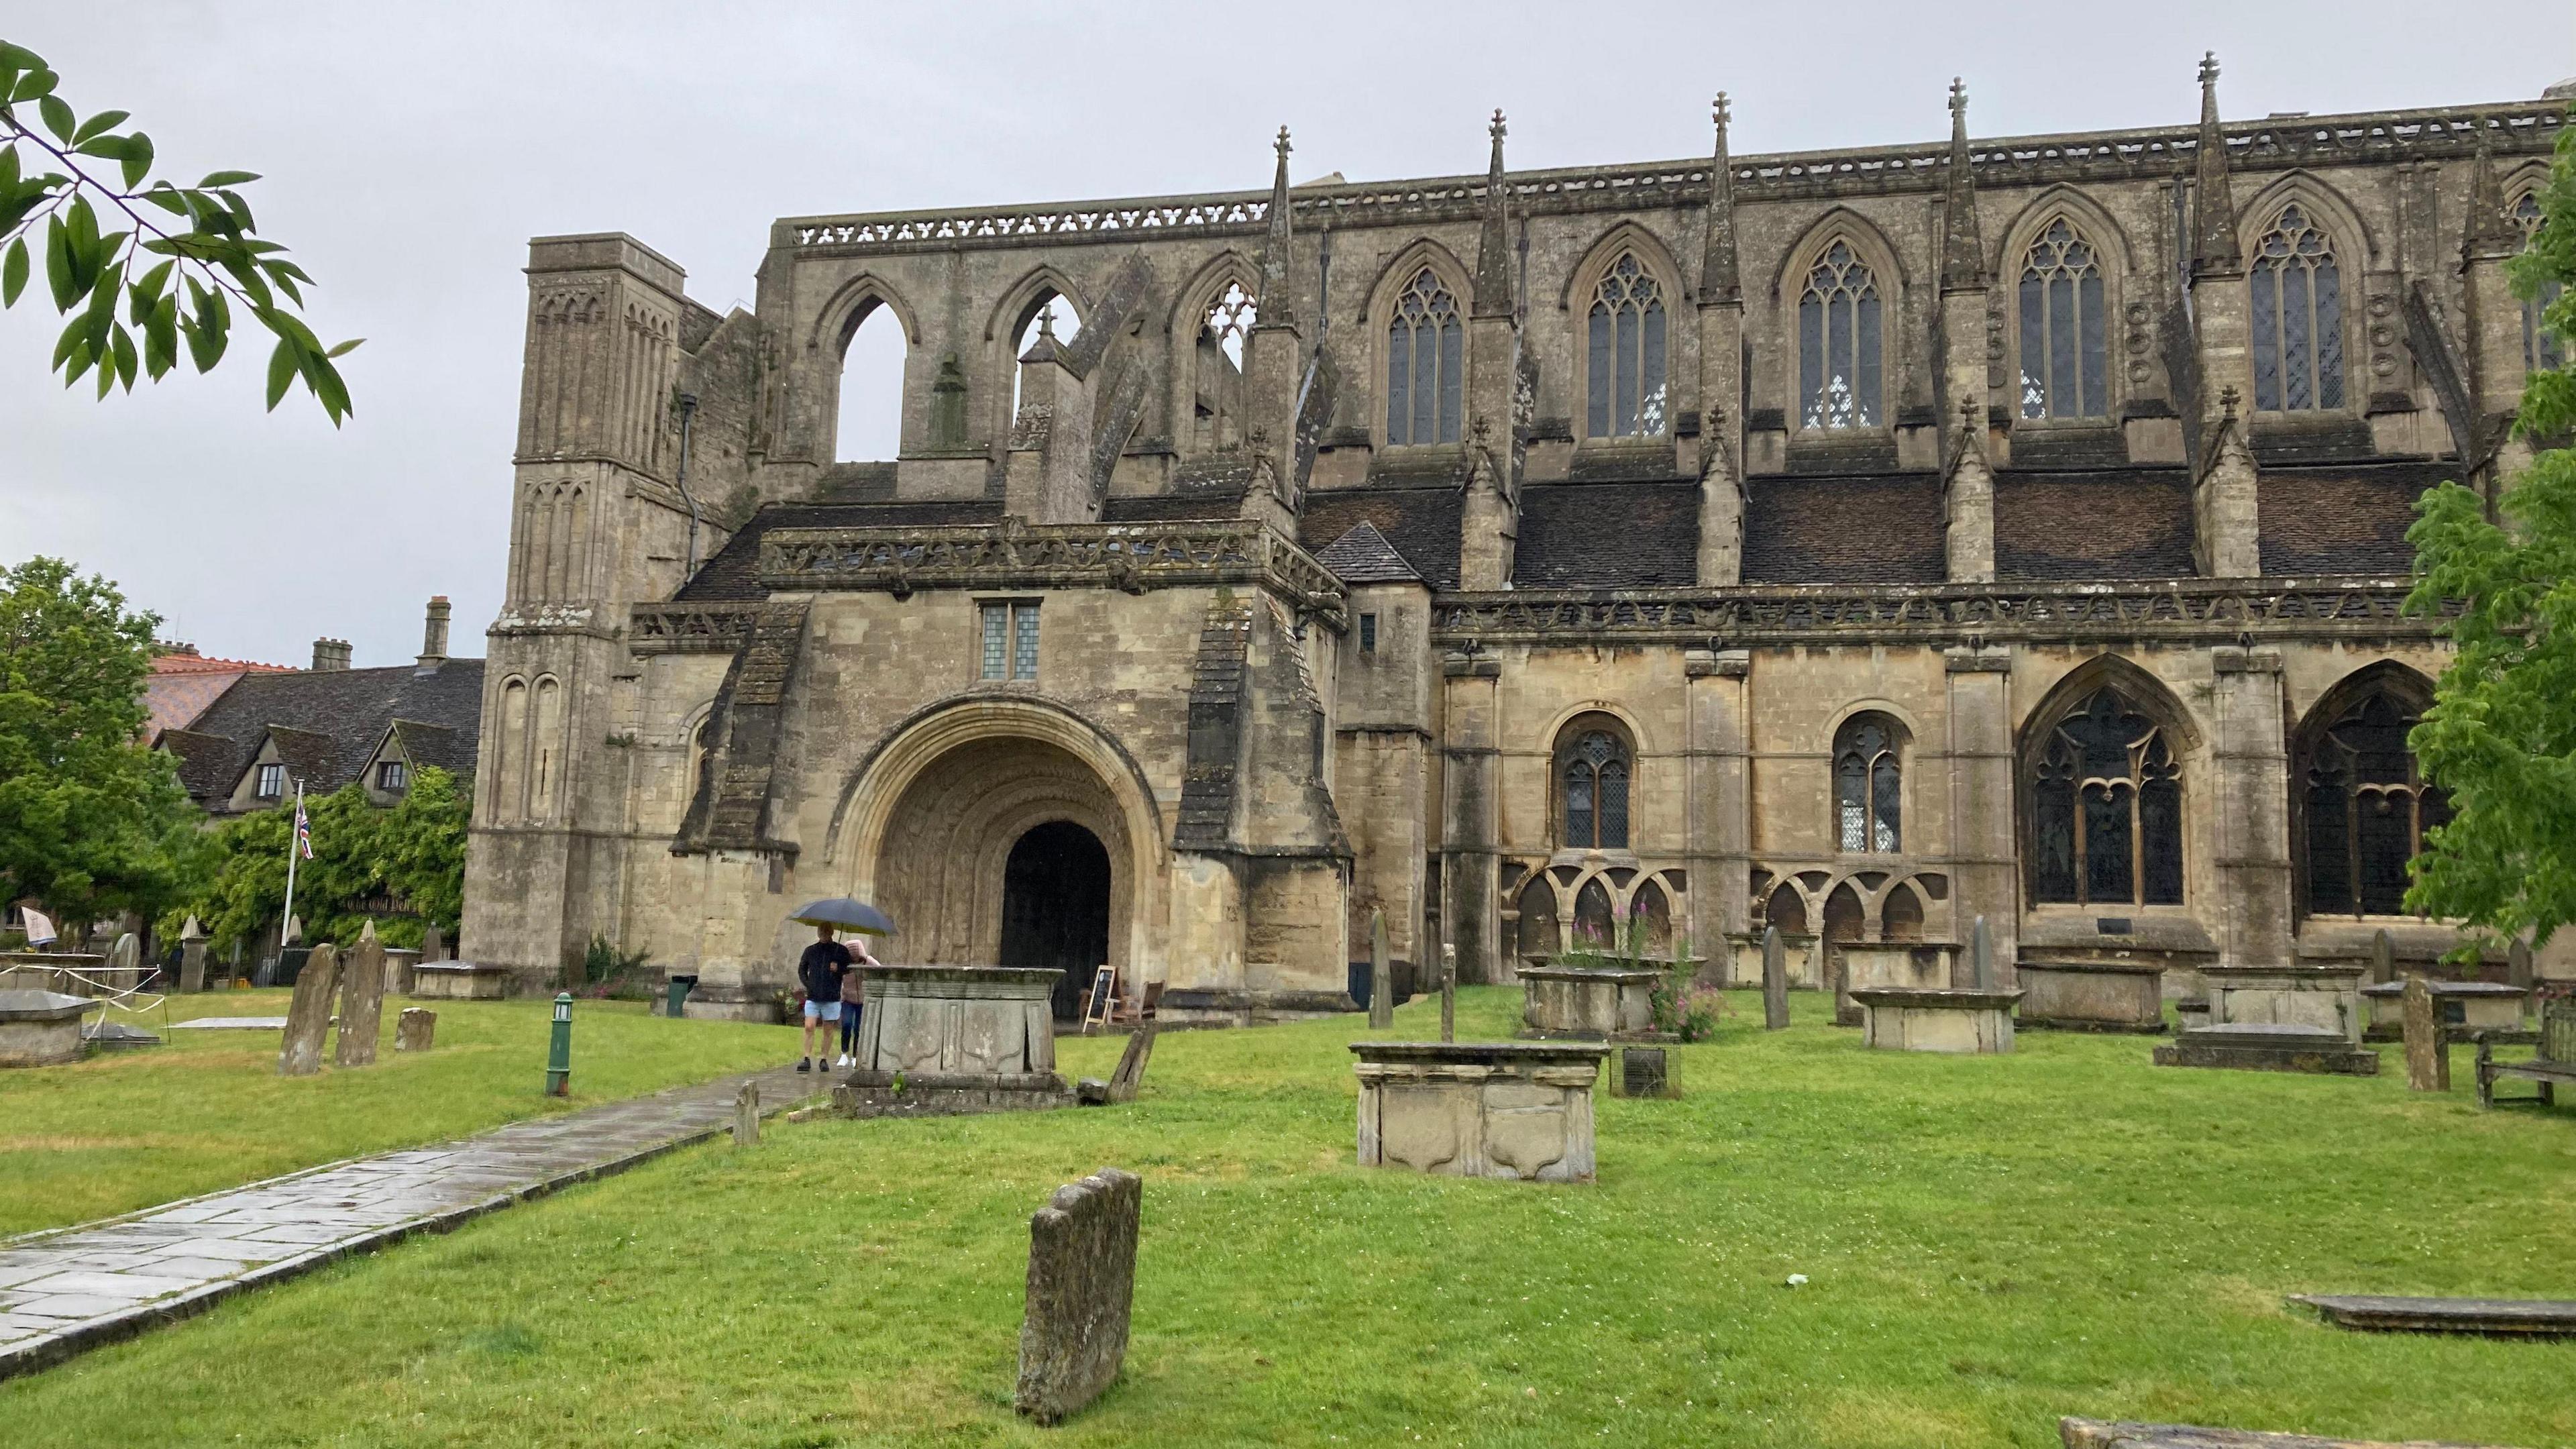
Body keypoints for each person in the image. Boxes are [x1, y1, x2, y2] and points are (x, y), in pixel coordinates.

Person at [796, 923, 853, 1072]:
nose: (824, 934)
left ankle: (823, 1058)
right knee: (809, 1027)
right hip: (814, 996)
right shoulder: (811, 951)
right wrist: (808, 984)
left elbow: (849, 968)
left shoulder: (840, 951)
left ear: (832, 933)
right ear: (818, 932)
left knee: (828, 1030)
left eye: (827, 931)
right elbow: (802, 968)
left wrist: (838, 968)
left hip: (831, 997)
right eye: (821, 931)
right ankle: (807, 1058)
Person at [835, 934, 880, 1067]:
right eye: (851, 956)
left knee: (859, 1028)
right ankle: (844, 1054)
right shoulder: (845, 964)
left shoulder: (867, 961)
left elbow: (880, 969)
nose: (854, 958)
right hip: (847, 999)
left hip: (862, 1000)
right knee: (847, 1025)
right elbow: (836, 975)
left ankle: (855, 1055)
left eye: (856, 955)